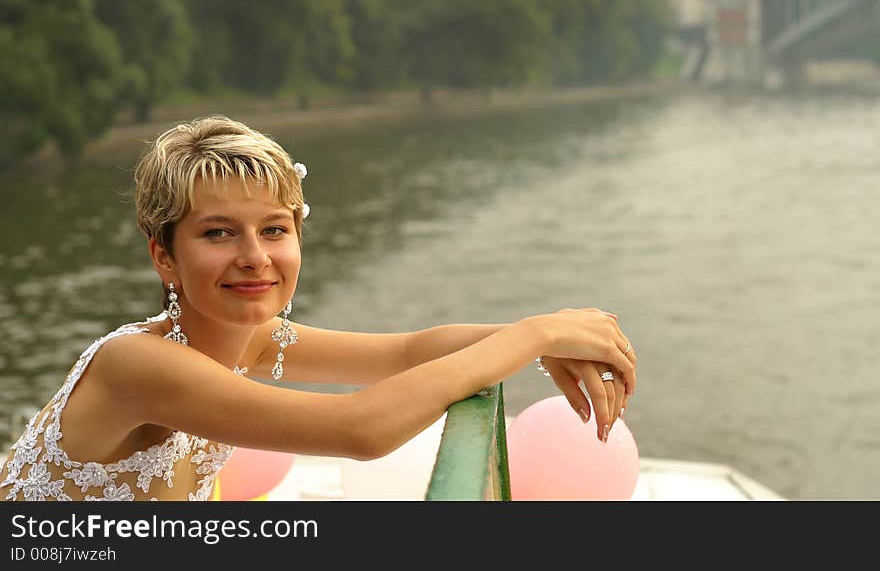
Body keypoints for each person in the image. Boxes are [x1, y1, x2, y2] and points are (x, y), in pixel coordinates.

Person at [0, 116, 636, 501]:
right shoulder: (136, 364)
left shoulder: (244, 338)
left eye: (274, 229)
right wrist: (535, 334)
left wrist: (556, 339)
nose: (255, 257)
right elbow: (357, 430)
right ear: (163, 256)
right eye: (218, 233)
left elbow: (406, 353)